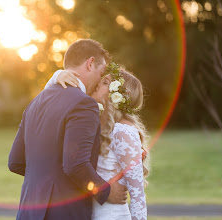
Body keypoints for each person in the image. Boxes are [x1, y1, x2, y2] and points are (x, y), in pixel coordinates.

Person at [8, 39, 128, 220]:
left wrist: (48, 179)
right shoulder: (84, 104)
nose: (99, 82)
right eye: (101, 72)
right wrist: (107, 191)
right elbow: (75, 165)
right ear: (90, 64)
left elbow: (15, 162)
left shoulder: (35, 102)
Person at [46, 64, 150, 220]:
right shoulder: (93, 124)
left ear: (117, 97)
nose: (98, 83)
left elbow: (138, 196)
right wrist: (56, 76)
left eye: (106, 83)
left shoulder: (123, 131)